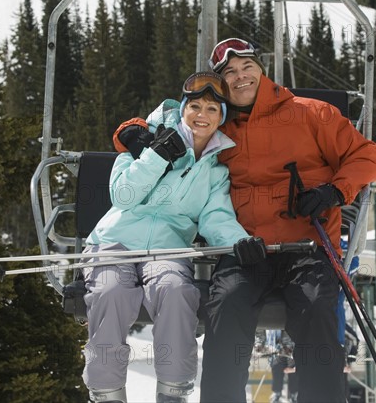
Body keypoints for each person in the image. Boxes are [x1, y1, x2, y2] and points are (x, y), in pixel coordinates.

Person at [113, 38, 376, 402]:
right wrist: (129, 131)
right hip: (245, 247)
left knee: (317, 305)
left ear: (261, 69)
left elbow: (365, 157)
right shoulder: (218, 124)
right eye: (230, 73)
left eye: (247, 68)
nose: (241, 78)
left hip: (306, 245)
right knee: (227, 303)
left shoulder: (311, 113)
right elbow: (171, 117)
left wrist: (334, 192)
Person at [83, 71, 257, 403]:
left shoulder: (215, 172)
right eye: (195, 106)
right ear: (182, 110)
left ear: (221, 118)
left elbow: (215, 217)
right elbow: (123, 195)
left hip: (168, 250)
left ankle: (173, 391)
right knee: (111, 292)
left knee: (176, 291)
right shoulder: (142, 144)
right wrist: (156, 155)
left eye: (211, 109)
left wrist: (238, 241)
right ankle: (106, 393)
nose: (201, 116)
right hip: (114, 242)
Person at [266, 330, 298, 403]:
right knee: (276, 366)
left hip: (292, 348)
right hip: (277, 348)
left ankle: (294, 395)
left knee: (293, 367)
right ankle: (277, 393)